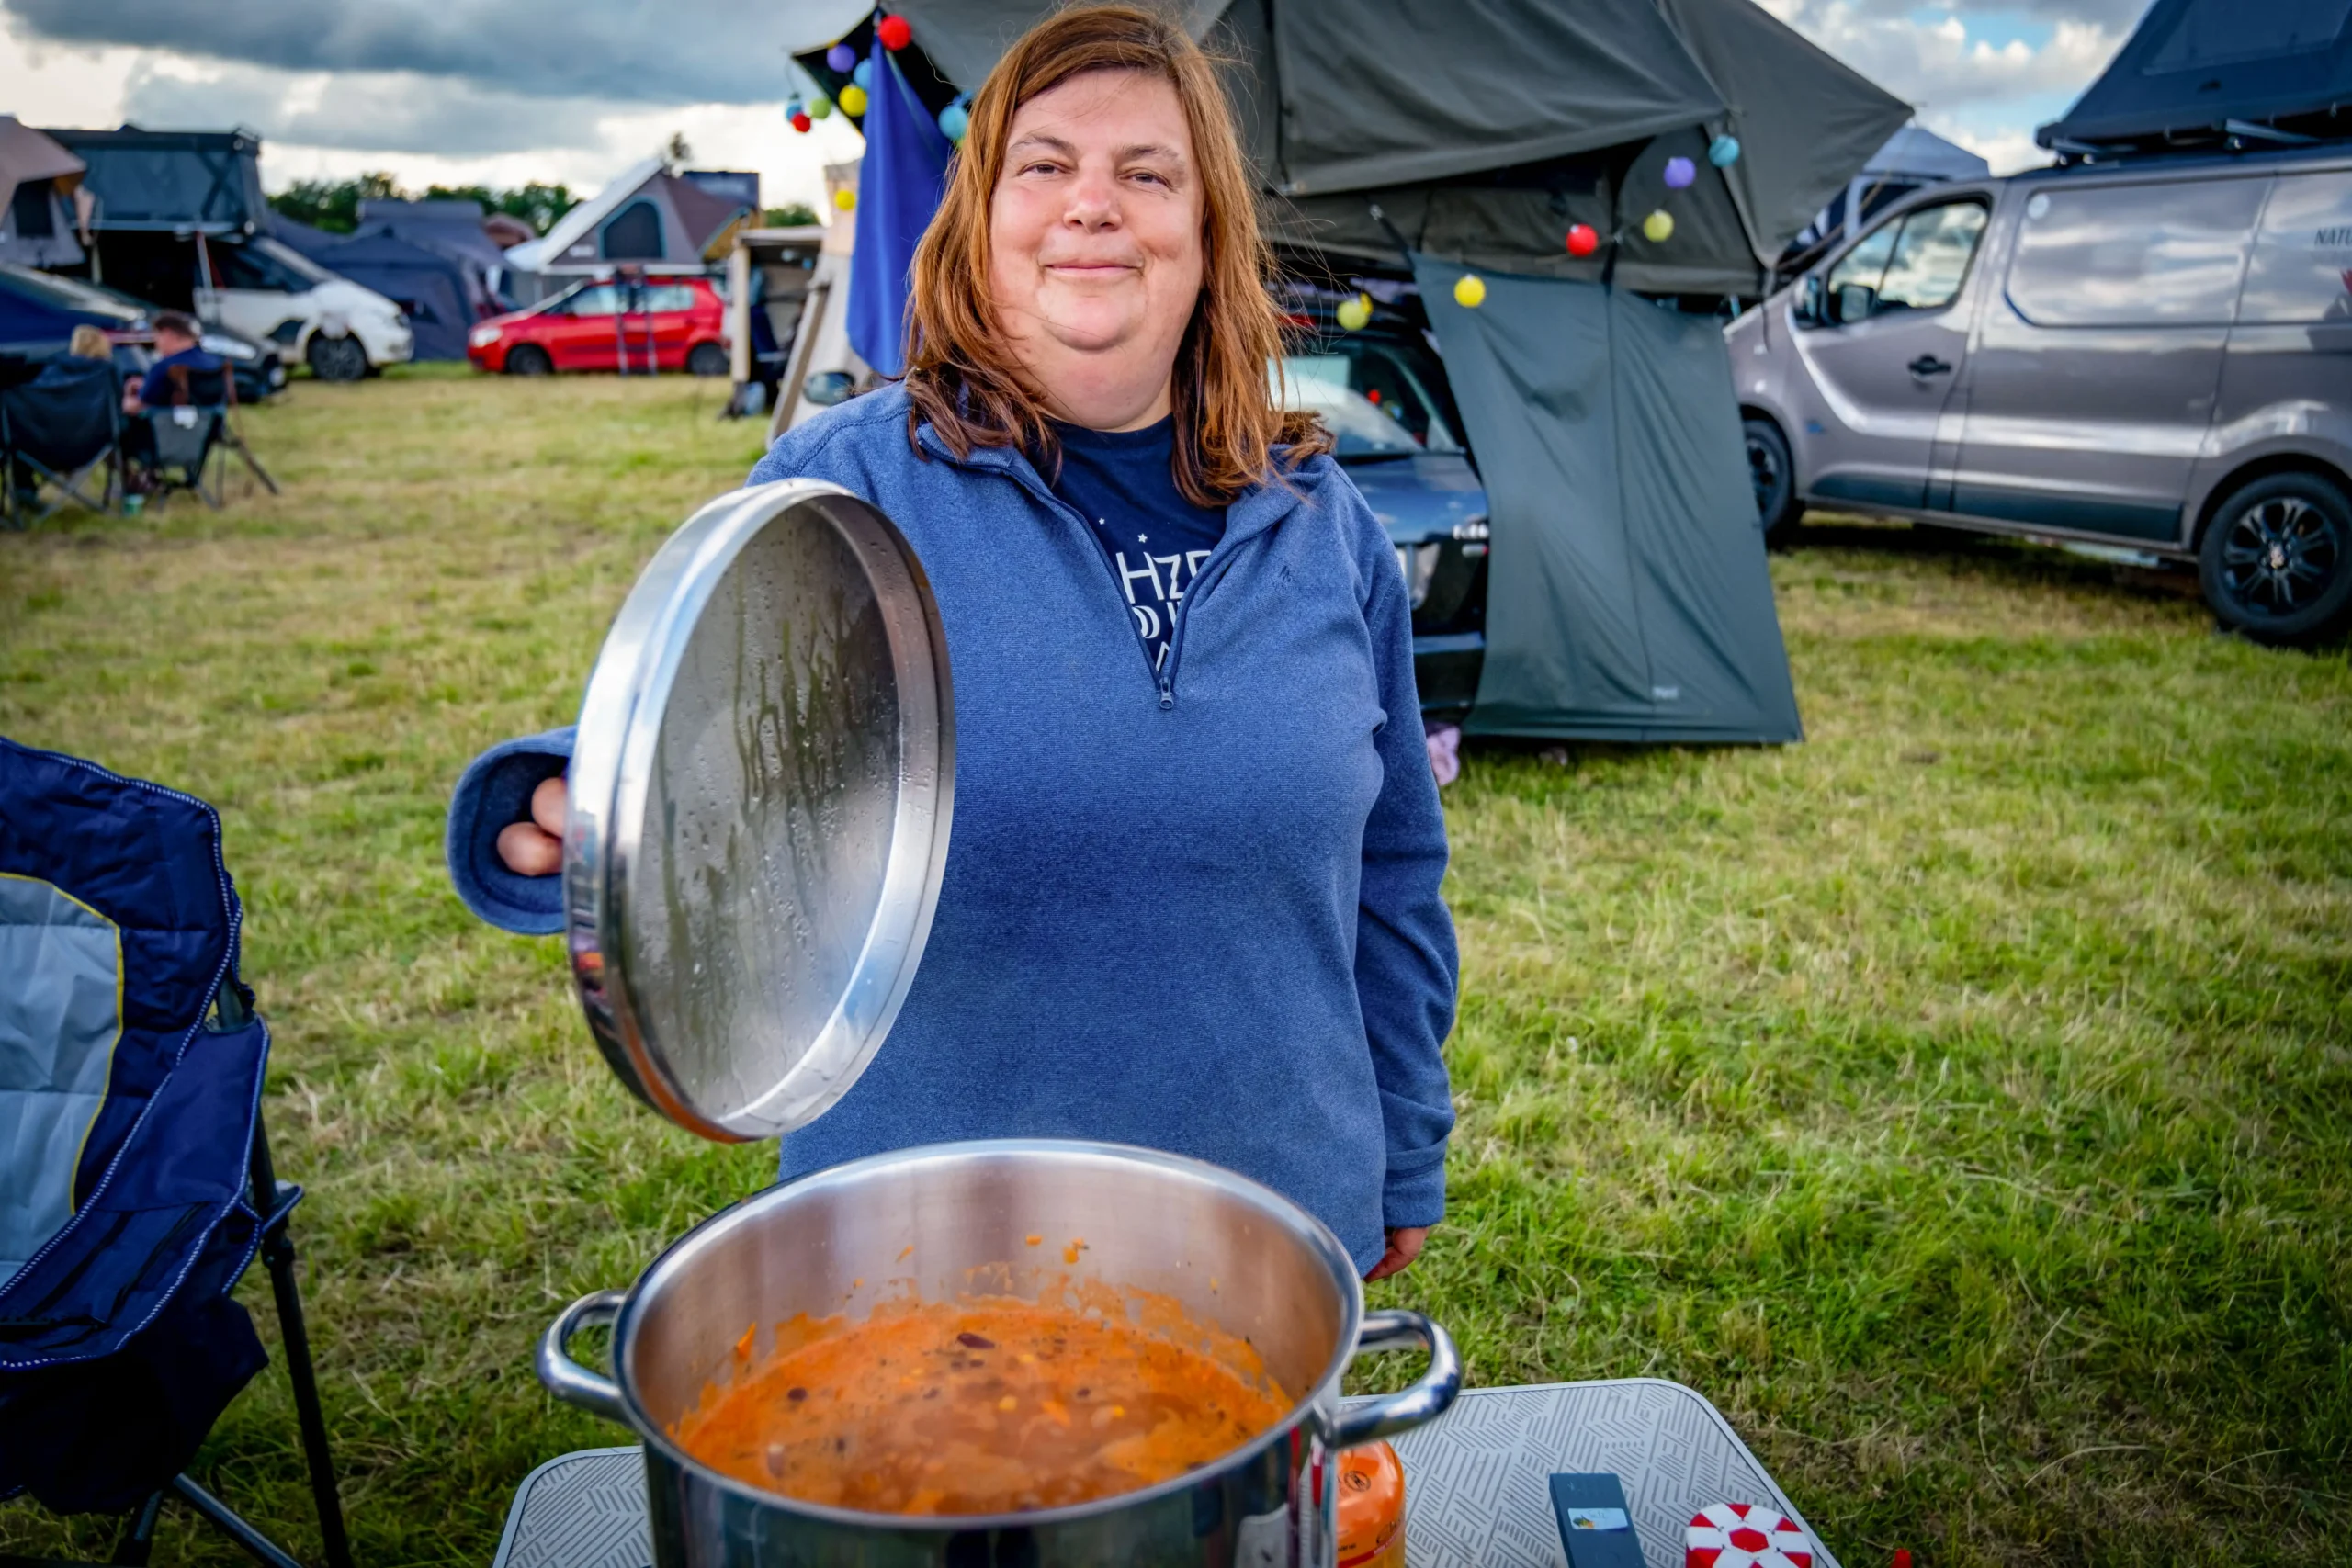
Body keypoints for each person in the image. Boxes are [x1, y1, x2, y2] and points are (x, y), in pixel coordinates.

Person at [445, 5, 1457, 1280]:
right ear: (980, 223)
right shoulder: (846, 487)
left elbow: (1396, 867)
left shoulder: (1325, 523)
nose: (1093, 203)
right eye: (1044, 166)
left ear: (1210, 239)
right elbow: (735, 733)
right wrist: (582, 808)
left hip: (1267, 1228)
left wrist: (1403, 1145)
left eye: (1147, 173)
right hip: (924, 1252)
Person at [122, 311, 222, 414]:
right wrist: (146, 384)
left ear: (168, 334)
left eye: (157, 335)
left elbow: (137, 405)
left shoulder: (165, 367)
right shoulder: (214, 362)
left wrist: (127, 395)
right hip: (210, 424)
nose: (156, 342)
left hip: (169, 426)